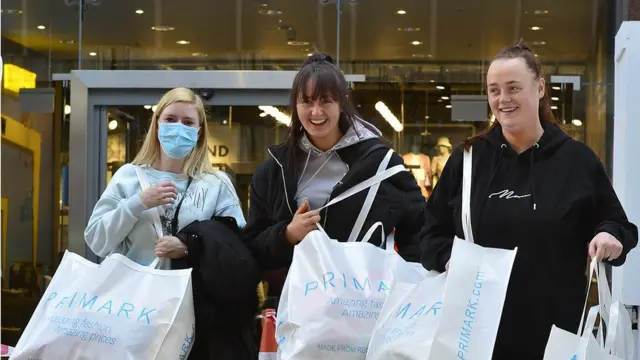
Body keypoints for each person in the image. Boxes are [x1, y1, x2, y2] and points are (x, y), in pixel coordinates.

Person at [420, 42, 638, 360]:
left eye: (513, 88)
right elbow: (430, 233)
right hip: (476, 337)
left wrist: (609, 235)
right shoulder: (467, 161)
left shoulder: (577, 160)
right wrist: (449, 260)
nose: (503, 99)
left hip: (557, 339)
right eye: (494, 90)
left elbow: (619, 225)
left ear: (539, 88)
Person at [84, 87, 258, 359]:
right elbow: (96, 239)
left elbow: (237, 251)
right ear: (156, 125)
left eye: (188, 122)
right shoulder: (128, 177)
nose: (179, 127)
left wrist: (191, 246)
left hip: (197, 313)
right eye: (171, 119)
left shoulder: (216, 184)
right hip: (134, 309)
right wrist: (137, 202)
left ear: (199, 131)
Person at [244, 52, 426, 299]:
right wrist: (287, 234)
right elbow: (253, 246)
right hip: (298, 309)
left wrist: (406, 286)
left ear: (342, 102)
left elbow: (419, 230)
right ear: (295, 106)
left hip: (366, 306)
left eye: (326, 101)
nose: (316, 112)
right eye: (307, 102)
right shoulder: (273, 170)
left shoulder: (381, 164)